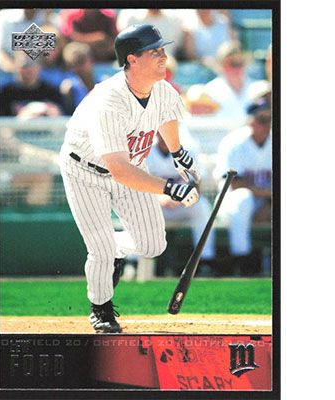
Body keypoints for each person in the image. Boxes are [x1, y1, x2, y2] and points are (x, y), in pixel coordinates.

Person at [59, 24, 202, 333]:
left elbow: (167, 116)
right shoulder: (108, 101)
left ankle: (111, 249)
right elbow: (119, 170)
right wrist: (170, 188)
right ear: (132, 60)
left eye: (162, 50)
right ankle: (101, 309)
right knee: (100, 250)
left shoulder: (162, 88)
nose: (163, 56)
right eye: (154, 52)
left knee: (153, 244)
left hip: (131, 166)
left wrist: (177, 152)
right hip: (85, 171)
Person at [213, 95, 272, 275]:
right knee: (243, 198)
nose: (267, 125)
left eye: (270, 119)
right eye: (262, 119)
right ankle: (242, 260)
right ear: (250, 121)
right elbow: (235, 184)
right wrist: (268, 197)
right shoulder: (234, 143)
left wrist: (269, 204)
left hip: (266, 201)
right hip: (230, 201)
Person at [146, 133, 216, 264]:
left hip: (183, 204)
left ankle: (206, 260)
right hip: (156, 205)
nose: (165, 136)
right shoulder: (147, 152)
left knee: (201, 206)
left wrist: (178, 199)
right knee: (139, 206)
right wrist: (159, 198)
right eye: (162, 132)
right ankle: (133, 263)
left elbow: (197, 184)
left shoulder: (189, 150)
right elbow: (138, 185)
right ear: (157, 133)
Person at [201, 41, 258, 127]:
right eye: (233, 64)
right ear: (222, 65)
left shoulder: (257, 88)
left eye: (240, 63)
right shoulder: (209, 91)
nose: (237, 68)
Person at [0, 53, 67, 117]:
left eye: (32, 65)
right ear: (16, 66)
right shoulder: (5, 92)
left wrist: (55, 113)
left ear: (40, 67)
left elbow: (63, 118)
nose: (29, 70)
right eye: (25, 66)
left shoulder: (51, 91)